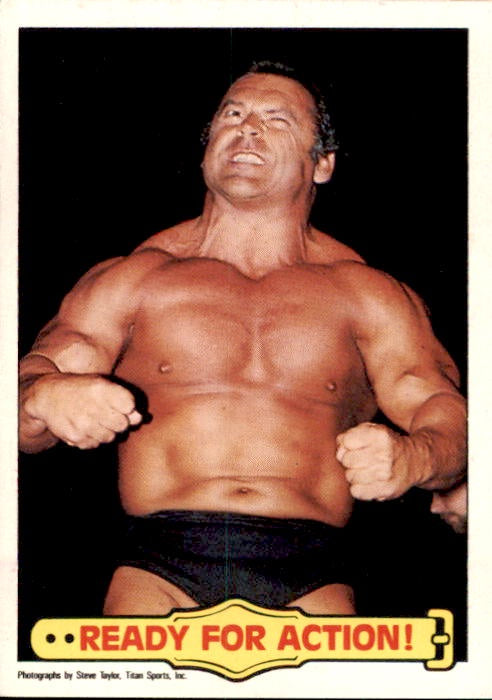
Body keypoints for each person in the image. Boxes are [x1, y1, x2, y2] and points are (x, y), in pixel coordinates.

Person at [18, 62, 466, 616]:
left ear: (322, 163)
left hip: (314, 570)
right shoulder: (132, 278)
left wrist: (416, 456)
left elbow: (446, 412)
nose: (248, 128)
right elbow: (24, 400)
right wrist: (43, 396)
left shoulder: (369, 294)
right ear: (206, 150)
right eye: (232, 115)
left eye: (276, 119)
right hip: (159, 565)